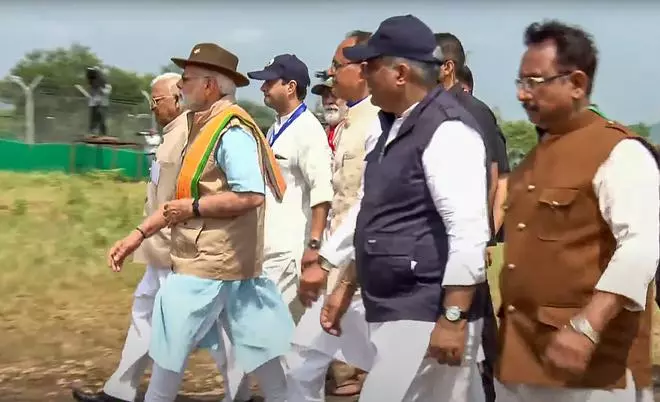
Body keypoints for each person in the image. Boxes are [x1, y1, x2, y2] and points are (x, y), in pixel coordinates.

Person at [106, 43, 293, 402]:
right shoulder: (200, 125)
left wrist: (193, 208)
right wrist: (137, 236)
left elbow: (251, 195)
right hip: (223, 268)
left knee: (167, 359)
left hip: (210, 268)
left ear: (210, 86)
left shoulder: (231, 131)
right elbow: (179, 198)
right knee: (269, 367)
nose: (180, 87)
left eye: (186, 80)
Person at [319, 15, 490, 401]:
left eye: (370, 65)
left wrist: (452, 317)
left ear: (400, 73)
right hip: (397, 306)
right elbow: (376, 215)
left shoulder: (447, 131)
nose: (363, 73)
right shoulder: (390, 128)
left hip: (425, 310)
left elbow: (469, 231)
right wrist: (345, 283)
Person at [495, 20, 659, 402]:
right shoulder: (534, 159)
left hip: (591, 368)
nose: (523, 94)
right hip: (522, 359)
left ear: (577, 83)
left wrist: (587, 326)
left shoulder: (620, 152)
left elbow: (641, 247)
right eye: (520, 82)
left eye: (535, 82)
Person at [71, 72, 230, 402]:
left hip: (179, 254)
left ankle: (243, 391)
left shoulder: (188, 136)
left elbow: (181, 200)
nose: (152, 107)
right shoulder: (172, 135)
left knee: (211, 329)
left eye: (156, 100)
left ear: (176, 98)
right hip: (159, 250)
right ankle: (120, 391)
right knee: (145, 318)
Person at [288, 30, 379, 401]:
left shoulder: (379, 122)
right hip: (340, 267)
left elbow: (367, 201)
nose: (330, 73)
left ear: (363, 69)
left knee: (396, 372)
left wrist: (327, 260)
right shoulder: (349, 122)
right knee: (303, 357)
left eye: (337, 66)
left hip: (364, 272)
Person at [435, 32, 511, 402]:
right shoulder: (433, 108)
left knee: (476, 329)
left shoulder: (471, 110)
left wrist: (484, 235)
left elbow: (497, 178)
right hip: (448, 242)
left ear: (447, 67)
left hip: (465, 241)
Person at [246, 54, 333, 312]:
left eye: (269, 83)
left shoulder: (308, 130)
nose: (263, 88)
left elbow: (322, 191)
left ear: (291, 87)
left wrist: (314, 246)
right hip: (268, 249)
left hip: (289, 253)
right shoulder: (274, 129)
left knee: (267, 334)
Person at [311, 77, 349, 153]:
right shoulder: (322, 133)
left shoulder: (352, 128)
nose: (329, 101)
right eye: (325, 96)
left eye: (335, 95)